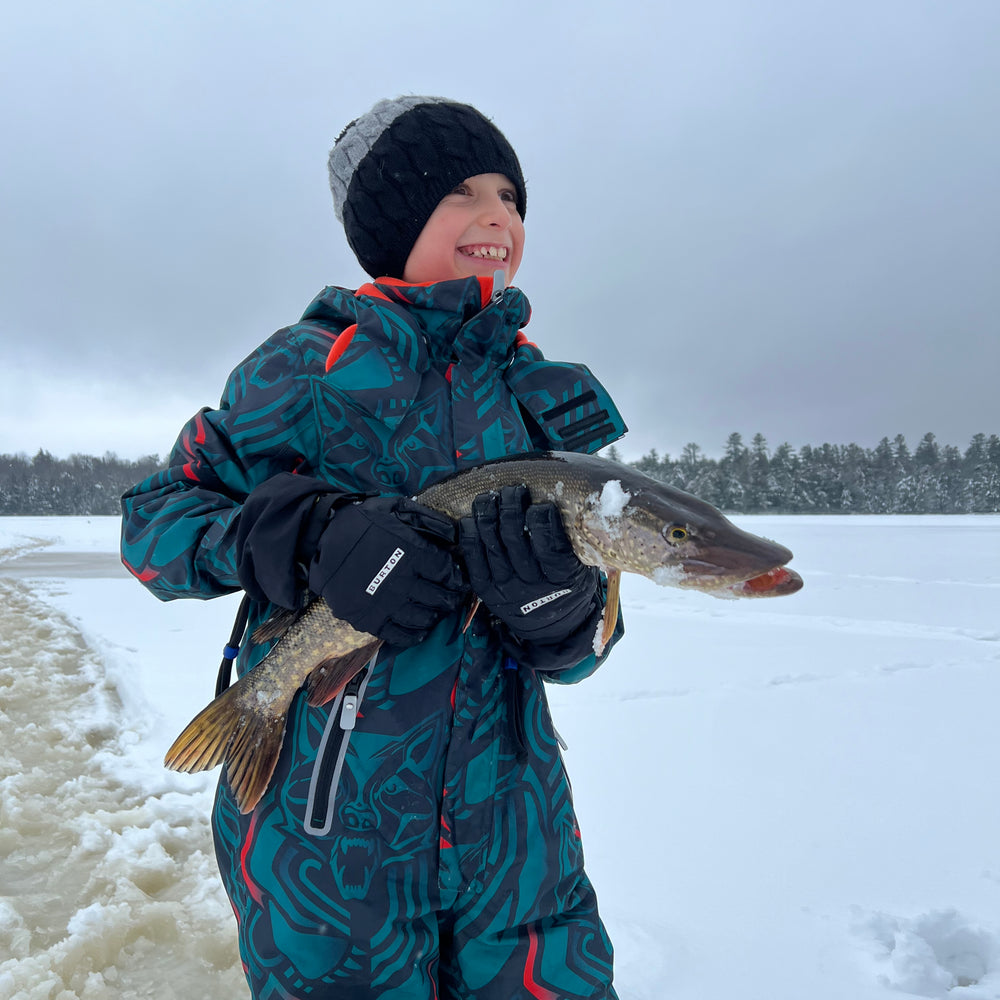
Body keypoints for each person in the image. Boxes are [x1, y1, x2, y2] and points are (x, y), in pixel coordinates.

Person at [121, 95, 628, 999]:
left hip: (519, 840)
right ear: (392, 220)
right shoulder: (301, 369)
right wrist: (306, 534)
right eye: (461, 192)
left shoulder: (540, 392)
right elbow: (154, 523)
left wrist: (564, 616)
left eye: (511, 194)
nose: (497, 216)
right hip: (326, 848)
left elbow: (586, 648)